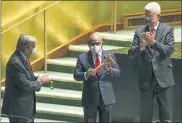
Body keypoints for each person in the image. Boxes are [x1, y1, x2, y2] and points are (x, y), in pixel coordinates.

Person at [128, 2, 175, 123]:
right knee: (145, 114)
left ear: (158, 16)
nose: (147, 19)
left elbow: (169, 50)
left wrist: (154, 43)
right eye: (146, 16)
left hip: (163, 79)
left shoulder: (167, 30)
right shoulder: (139, 32)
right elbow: (132, 54)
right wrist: (142, 46)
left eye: (150, 16)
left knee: (165, 114)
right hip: (145, 79)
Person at [1, 33, 52, 123]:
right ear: (27, 47)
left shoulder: (23, 58)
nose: (35, 49)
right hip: (18, 111)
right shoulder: (15, 62)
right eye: (34, 46)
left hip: (24, 109)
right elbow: (24, 85)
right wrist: (39, 82)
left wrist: (38, 78)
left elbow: (25, 76)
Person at [73, 32, 120, 122]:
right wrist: (86, 74)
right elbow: (76, 75)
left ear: (102, 43)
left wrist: (110, 70)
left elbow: (117, 71)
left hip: (106, 97)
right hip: (90, 97)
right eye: (92, 44)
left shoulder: (109, 55)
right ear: (88, 44)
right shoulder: (82, 57)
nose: (95, 46)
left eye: (97, 43)